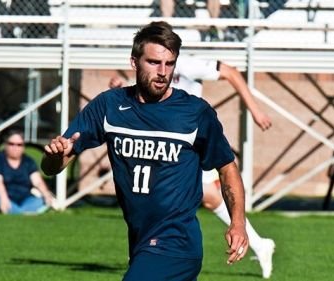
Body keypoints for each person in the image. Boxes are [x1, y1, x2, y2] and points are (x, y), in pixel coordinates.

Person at [42, 21, 249, 281]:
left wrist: (238, 222)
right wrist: (54, 156)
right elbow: (53, 167)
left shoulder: (195, 113)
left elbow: (227, 167)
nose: (163, 72)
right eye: (153, 62)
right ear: (134, 62)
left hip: (177, 242)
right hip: (140, 240)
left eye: (170, 63)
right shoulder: (109, 106)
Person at [110, 54, 275, 279]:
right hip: (165, 142)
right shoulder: (150, 66)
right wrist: (120, 88)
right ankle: (258, 243)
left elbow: (231, 72)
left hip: (188, 143)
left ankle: (152, 252)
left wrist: (254, 110)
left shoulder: (187, 64)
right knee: (207, 196)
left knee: (201, 193)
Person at [0, 129, 53, 214]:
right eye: (11, 144)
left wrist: (46, 194)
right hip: (4, 196)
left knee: (41, 200)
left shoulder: (28, 161)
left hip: (25, 199)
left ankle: (17, 212)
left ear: (23, 146)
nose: (15, 147)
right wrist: (3, 198)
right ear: (5, 145)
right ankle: (23, 213)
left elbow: (38, 181)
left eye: (19, 145)